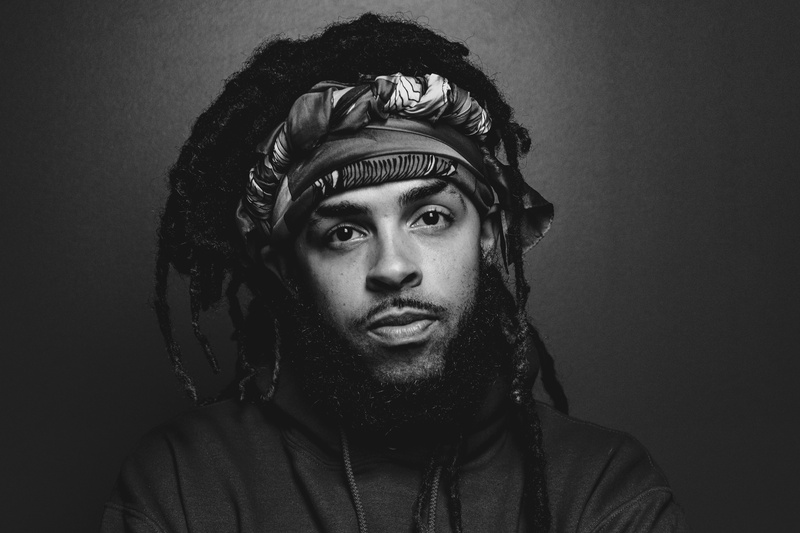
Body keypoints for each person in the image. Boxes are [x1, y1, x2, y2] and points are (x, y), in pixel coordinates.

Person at [102, 13, 688, 532]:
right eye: (344, 232)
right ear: (286, 267)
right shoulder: (182, 490)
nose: (393, 267)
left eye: (431, 217)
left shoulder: (603, 493)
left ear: (489, 233)